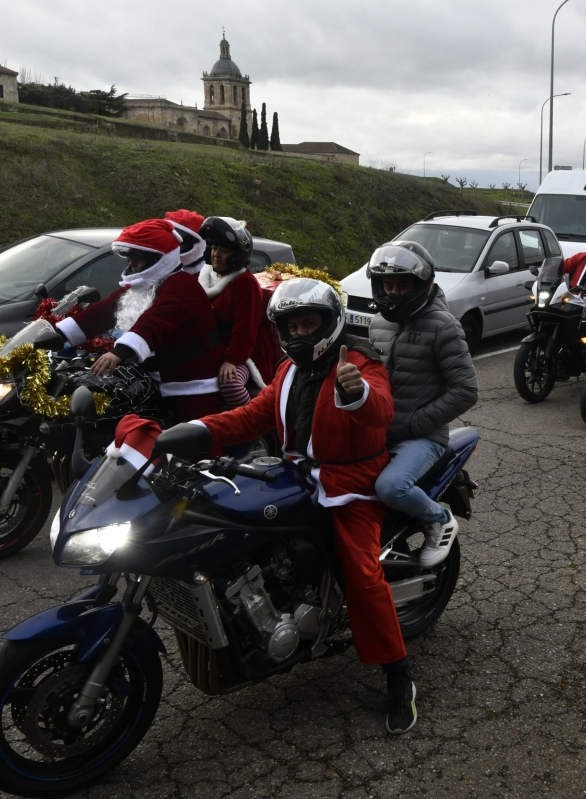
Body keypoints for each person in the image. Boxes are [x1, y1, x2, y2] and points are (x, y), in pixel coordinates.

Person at [189, 278, 418, 733]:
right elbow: (252, 416)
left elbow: (381, 410)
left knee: (362, 574)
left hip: (350, 482)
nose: (299, 334)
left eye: (309, 324)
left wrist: (356, 393)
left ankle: (399, 676)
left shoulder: (360, 362)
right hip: (294, 474)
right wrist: (195, 431)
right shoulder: (287, 371)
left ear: (330, 324)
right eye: (291, 327)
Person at [366, 242, 479, 568]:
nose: (394, 293)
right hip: (381, 429)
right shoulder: (378, 324)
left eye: (403, 285)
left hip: (423, 436)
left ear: (421, 284)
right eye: (388, 286)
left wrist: (414, 422)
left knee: (391, 487)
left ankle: (439, 519)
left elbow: (466, 390)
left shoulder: (443, 326)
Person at [55, 219, 224, 422]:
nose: (131, 263)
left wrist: (119, 352)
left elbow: (154, 321)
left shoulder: (183, 285)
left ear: (157, 259)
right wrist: (58, 334)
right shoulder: (143, 285)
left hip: (191, 384)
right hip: (150, 379)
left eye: (138, 258)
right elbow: (103, 312)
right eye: (130, 257)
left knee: (195, 437)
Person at [197, 216, 277, 408]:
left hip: (245, 355)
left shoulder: (245, 284)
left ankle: (252, 420)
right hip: (214, 349)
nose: (216, 254)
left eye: (224, 251)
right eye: (214, 248)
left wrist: (232, 360)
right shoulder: (207, 277)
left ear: (237, 256)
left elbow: (245, 330)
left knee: (230, 383)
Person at [165, 209, 209, 275]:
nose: (173, 247)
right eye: (168, 241)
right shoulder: (160, 270)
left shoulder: (209, 274)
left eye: (181, 243)